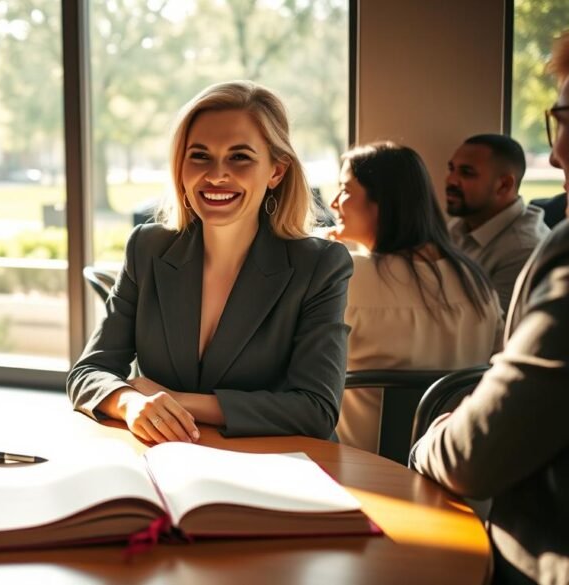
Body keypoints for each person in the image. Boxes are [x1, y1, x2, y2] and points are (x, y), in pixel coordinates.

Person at [67, 81, 353, 444]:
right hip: (164, 463)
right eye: (199, 156)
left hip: (278, 468)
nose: (217, 174)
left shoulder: (321, 265)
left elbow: (316, 410)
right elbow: (88, 372)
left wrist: (177, 402)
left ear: (276, 172)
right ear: (180, 166)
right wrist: (128, 403)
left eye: (240, 157)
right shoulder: (148, 247)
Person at [411, 31, 569, 585]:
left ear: (507, 186)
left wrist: (434, 435)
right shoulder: (455, 232)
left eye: (563, 120)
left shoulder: (540, 249)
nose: (556, 151)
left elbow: (478, 448)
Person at [328, 142, 502, 453]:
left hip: (357, 470)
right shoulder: (476, 283)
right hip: (451, 468)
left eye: (344, 190)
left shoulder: (347, 278)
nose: (333, 203)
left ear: (382, 201)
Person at [446, 134, 550, 311]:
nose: (450, 180)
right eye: (451, 169)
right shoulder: (459, 225)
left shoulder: (523, 250)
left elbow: (491, 332)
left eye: (466, 173)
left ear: (504, 185)